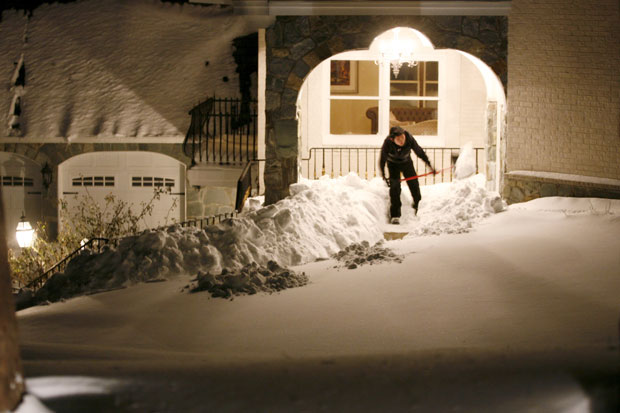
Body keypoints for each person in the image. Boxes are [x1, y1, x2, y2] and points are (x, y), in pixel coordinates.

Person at [380, 126, 436, 224]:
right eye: (398, 139)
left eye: (402, 137)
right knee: (395, 188)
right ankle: (395, 215)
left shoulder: (409, 138)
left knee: (414, 184)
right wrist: (383, 175)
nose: (402, 140)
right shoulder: (388, 142)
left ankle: (417, 205)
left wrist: (430, 166)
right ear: (392, 139)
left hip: (406, 162)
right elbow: (382, 159)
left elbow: (419, 152)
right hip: (393, 164)